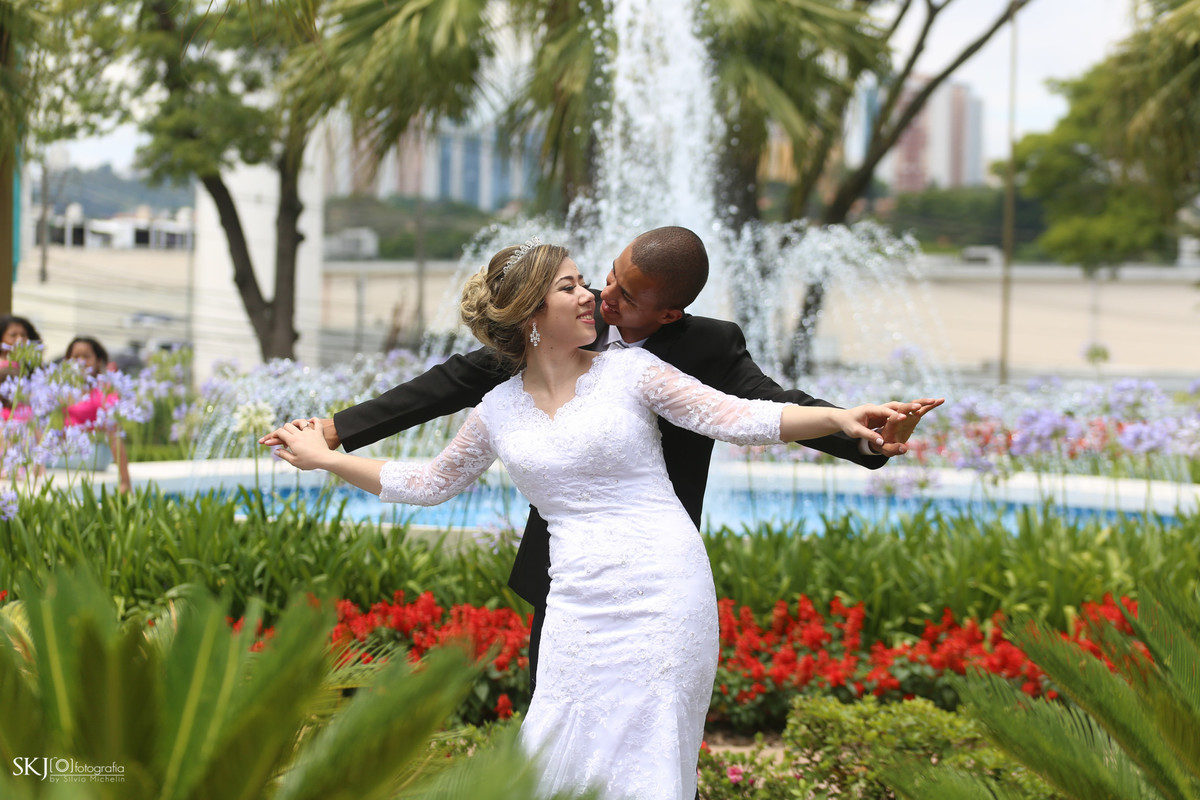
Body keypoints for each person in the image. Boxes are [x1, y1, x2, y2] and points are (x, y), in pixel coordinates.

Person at [273, 240, 920, 800]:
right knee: (554, 747)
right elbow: (431, 477)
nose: (596, 298)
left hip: (662, 586)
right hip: (574, 594)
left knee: (651, 754)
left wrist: (844, 419)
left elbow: (743, 414)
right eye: (578, 285)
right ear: (531, 316)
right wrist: (328, 451)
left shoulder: (639, 367)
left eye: (599, 287)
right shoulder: (498, 404)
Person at [61, 336, 132, 492]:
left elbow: (114, 432)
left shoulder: (104, 390)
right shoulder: (65, 389)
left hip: (95, 452)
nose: (81, 362)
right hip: (70, 449)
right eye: (75, 357)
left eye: (86, 357)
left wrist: (125, 480)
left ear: (98, 361)